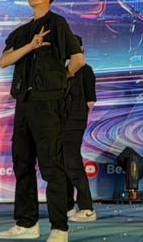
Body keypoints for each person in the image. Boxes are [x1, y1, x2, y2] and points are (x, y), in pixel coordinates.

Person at [0, 0, 84, 242]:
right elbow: (4, 61)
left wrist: (60, 80)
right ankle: (26, 224)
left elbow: (78, 59)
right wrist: (30, 46)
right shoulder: (21, 32)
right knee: (22, 163)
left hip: (47, 103)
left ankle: (59, 228)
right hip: (23, 103)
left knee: (51, 165)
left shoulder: (57, 24)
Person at [63, 35, 98, 224]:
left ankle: (87, 208)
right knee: (62, 164)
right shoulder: (61, 69)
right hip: (59, 122)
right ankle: (68, 205)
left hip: (74, 122)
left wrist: (78, 116)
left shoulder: (86, 70)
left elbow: (90, 101)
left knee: (72, 162)